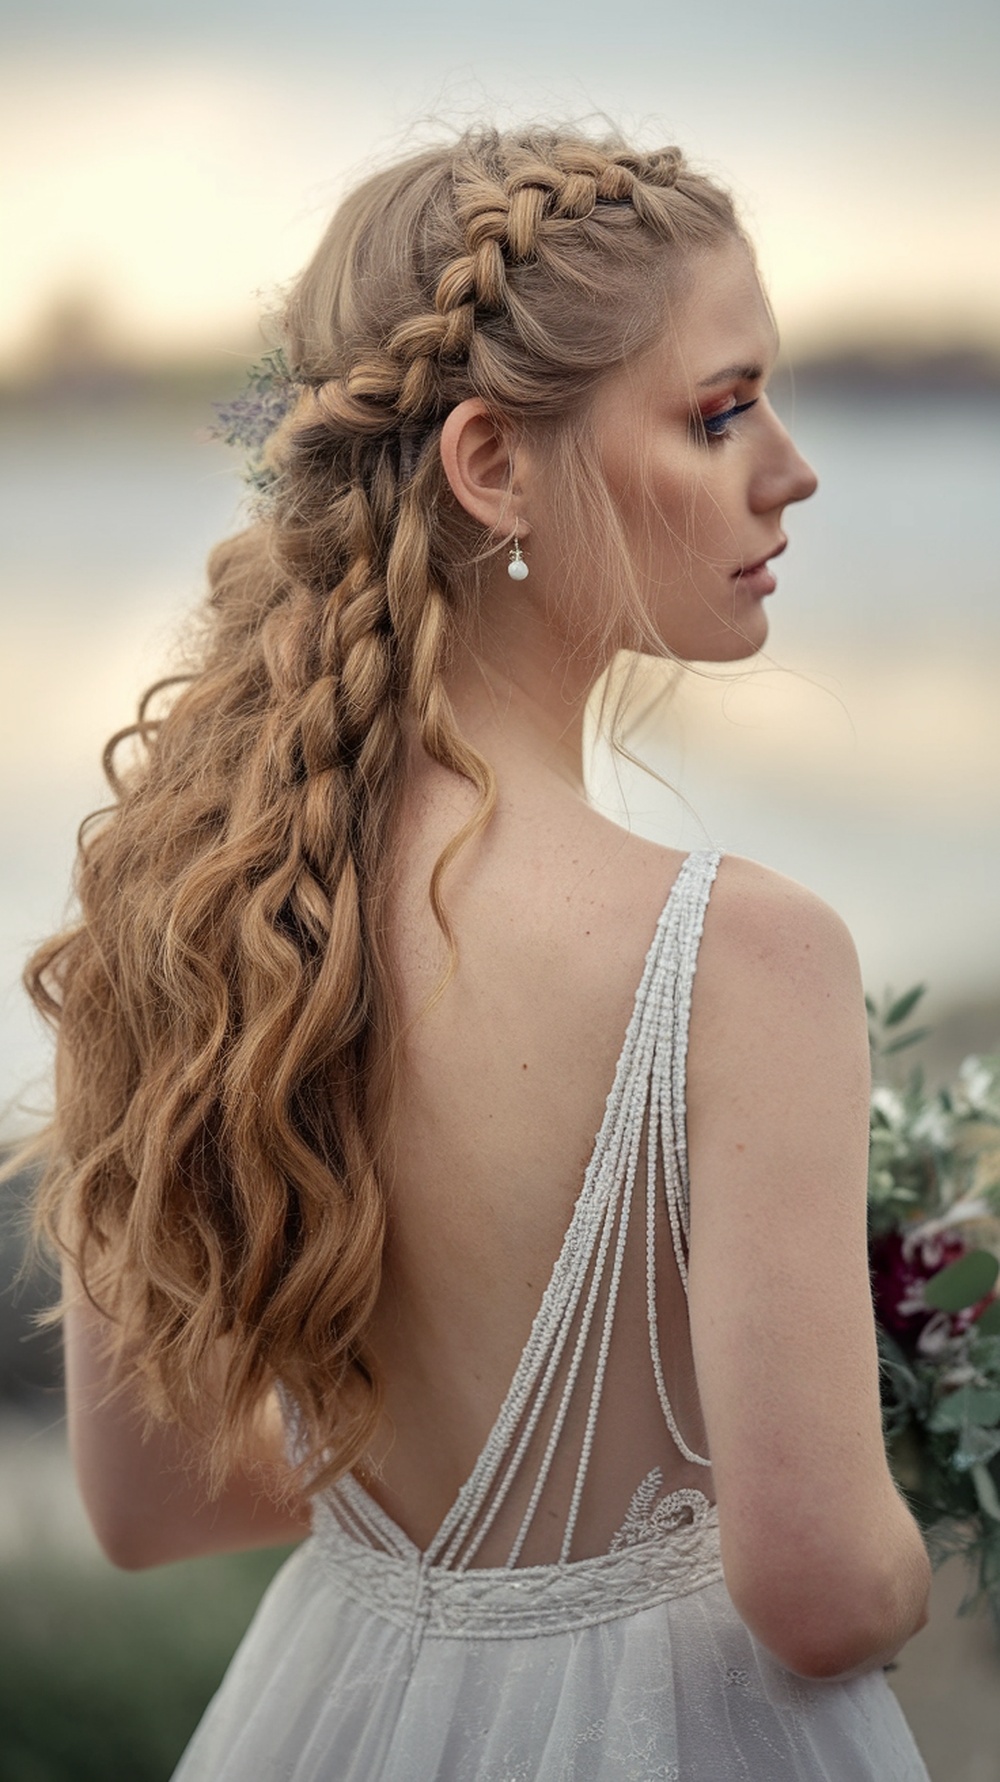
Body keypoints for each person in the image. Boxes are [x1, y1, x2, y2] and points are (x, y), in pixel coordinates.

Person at [25, 125, 932, 1779]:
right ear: (493, 465)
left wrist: (455, 1514)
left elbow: (149, 1505)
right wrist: (908, 1487)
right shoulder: (742, 958)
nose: (792, 469)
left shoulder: (172, 919)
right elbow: (819, 1592)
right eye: (720, 412)